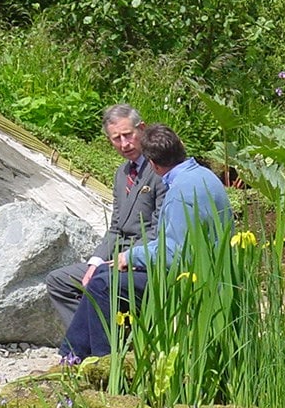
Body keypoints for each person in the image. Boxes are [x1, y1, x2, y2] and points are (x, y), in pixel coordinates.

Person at [60, 123, 233, 360]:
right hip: (204, 270)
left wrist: (130, 256)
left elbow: (174, 253)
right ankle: (73, 355)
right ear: (180, 145)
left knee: (103, 285)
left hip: (189, 280)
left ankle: (102, 361)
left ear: (152, 164)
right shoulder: (204, 175)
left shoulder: (179, 195)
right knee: (102, 273)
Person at [45, 104, 165, 328]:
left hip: (143, 259)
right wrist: (95, 262)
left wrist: (128, 257)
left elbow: (158, 229)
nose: (124, 144)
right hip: (115, 258)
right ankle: (90, 344)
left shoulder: (158, 168)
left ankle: (100, 349)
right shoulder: (121, 173)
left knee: (101, 282)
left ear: (142, 129)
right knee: (59, 281)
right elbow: (116, 227)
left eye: (128, 135)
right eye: (116, 139)